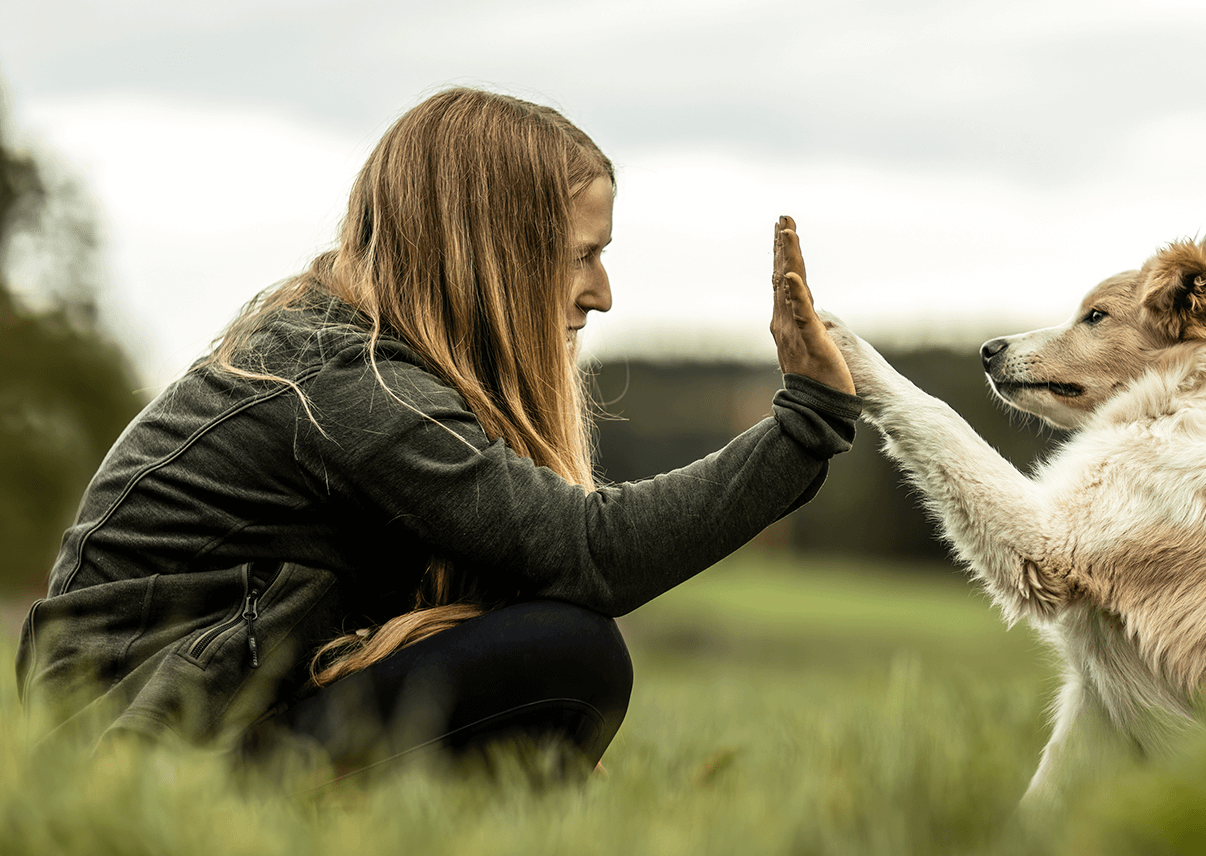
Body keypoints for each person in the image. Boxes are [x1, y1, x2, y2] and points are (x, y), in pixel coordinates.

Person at [14, 87, 858, 779]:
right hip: (139, 758)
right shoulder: (345, 381)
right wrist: (805, 427)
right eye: (579, 256)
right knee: (565, 655)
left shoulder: (357, 359)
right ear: (491, 251)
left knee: (539, 645)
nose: (601, 294)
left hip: (192, 727)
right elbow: (587, 551)